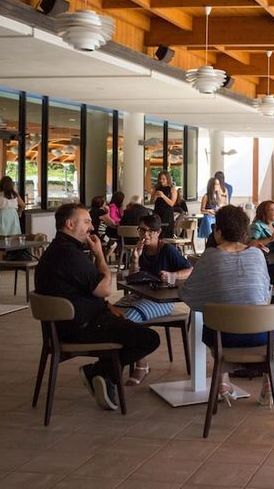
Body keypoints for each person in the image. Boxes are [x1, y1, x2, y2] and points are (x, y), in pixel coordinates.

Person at [34, 204, 160, 411]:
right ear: (70, 224)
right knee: (149, 338)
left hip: (64, 325)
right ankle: (99, 372)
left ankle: (103, 374)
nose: (92, 227)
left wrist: (105, 306)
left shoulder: (58, 249)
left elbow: (78, 290)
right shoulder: (69, 254)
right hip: (80, 328)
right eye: (86, 222)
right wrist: (100, 255)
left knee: (126, 326)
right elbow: (104, 288)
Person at [180, 205, 273, 404]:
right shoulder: (257, 255)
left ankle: (223, 381)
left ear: (218, 231)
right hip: (261, 336)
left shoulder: (210, 256)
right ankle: (268, 382)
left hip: (225, 339)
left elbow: (189, 296)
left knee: (214, 320)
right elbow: (265, 294)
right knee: (264, 319)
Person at [118, 213, 193, 385]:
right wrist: (135, 259)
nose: (145, 235)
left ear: (158, 232)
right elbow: (134, 277)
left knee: (129, 319)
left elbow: (190, 269)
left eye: (150, 231)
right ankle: (117, 362)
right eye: (142, 230)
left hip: (162, 301)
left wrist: (173, 275)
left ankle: (141, 365)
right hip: (141, 296)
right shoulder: (140, 249)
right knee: (113, 315)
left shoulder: (167, 250)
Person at [151, 171, 177, 238]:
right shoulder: (156, 188)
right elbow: (151, 201)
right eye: (160, 178)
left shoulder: (172, 188)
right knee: (157, 233)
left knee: (166, 234)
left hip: (167, 214)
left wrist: (163, 196)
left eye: (163, 179)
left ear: (168, 179)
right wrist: (155, 196)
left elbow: (172, 203)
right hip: (157, 212)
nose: (161, 180)